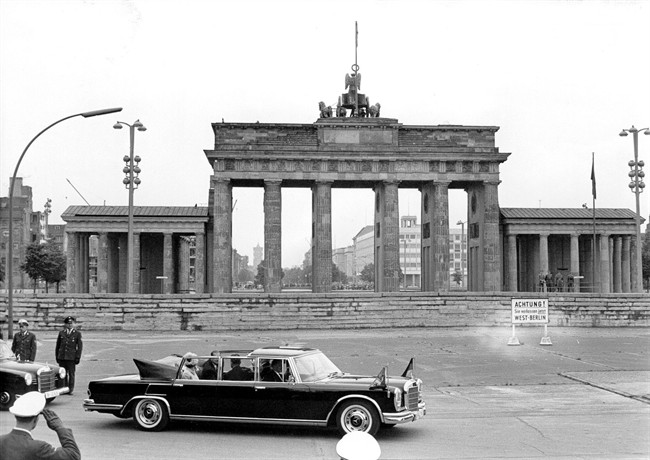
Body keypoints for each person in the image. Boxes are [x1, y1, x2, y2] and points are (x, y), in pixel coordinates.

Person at [0, 391, 81, 460]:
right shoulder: (39, 448)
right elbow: (73, 455)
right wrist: (60, 428)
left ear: (15, 416)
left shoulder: (1, 441)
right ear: (35, 420)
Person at [55, 317, 83, 396]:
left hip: (71, 357)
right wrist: (57, 356)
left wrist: (78, 357)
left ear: (74, 324)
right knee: (63, 373)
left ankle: (70, 389)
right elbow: (58, 346)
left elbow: (79, 347)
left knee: (71, 373)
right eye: (68, 323)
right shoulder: (61, 333)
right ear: (65, 324)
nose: (70, 325)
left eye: (71, 323)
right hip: (62, 357)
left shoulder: (77, 334)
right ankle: (63, 388)